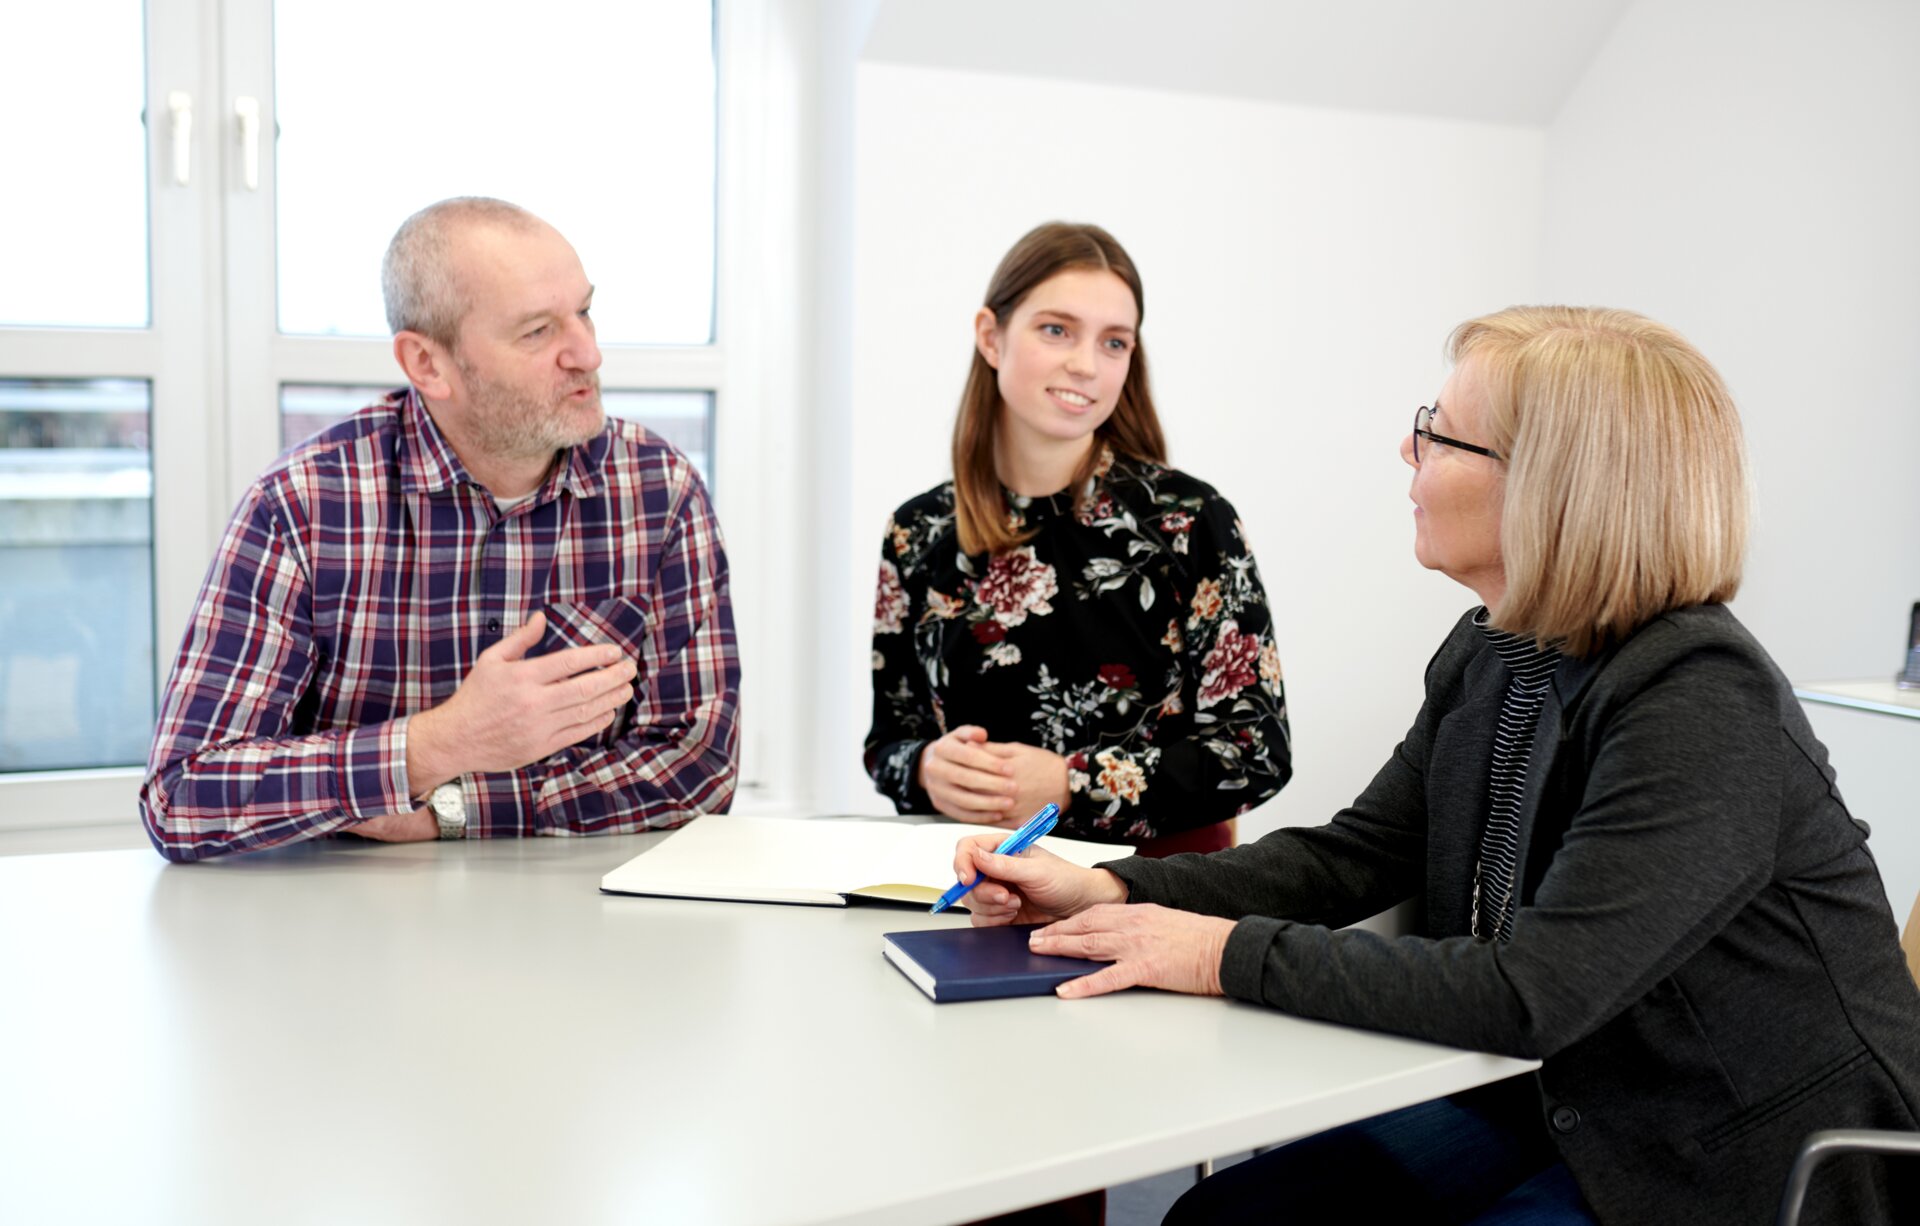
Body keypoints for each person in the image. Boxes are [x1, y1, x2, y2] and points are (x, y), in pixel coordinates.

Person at [951, 307, 1920, 1225]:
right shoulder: (1499, 647)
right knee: (1225, 1214)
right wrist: (1104, 884)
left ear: (1557, 486)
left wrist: (1213, 953)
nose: (1409, 452)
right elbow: (1355, 856)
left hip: (1725, 1151)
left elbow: (1531, 991)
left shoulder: (1701, 699)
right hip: (1565, 1094)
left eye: (1443, 436)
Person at [140, 197, 741, 861]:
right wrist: (441, 742)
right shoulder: (304, 503)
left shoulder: (659, 489)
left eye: (585, 311)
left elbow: (699, 766)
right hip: (348, 930)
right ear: (427, 364)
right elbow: (184, 798)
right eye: (538, 332)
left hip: (578, 921)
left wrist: (453, 811)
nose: (588, 354)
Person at [866, 222, 1291, 858]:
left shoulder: (1193, 520)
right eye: (1056, 329)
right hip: (975, 891)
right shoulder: (918, 531)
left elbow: (1256, 752)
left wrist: (1072, 784)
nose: (1085, 364)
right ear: (991, 336)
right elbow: (889, 741)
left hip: (1157, 903)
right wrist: (927, 767)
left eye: (1114, 342)